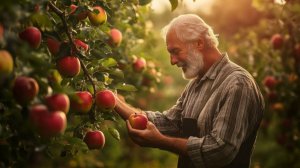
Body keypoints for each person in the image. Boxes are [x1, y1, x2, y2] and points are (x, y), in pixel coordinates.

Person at [114, 14, 265, 168]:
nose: (172, 61)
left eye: (176, 51)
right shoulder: (196, 85)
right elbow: (168, 123)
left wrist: (162, 142)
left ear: (199, 43)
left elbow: (220, 150)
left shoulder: (238, 84)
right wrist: (115, 102)